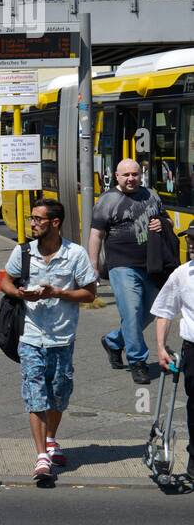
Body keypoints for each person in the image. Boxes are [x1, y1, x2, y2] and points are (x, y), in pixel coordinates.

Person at [0, 199, 98, 481]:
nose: (32, 223)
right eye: (32, 218)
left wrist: (58, 293)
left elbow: (90, 293)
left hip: (63, 336)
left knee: (58, 395)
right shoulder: (24, 251)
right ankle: (42, 455)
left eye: (38, 219)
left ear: (55, 223)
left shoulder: (75, 254)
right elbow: (5, 280)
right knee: (35, 395)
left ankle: (51, 439)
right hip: (30, 334)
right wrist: (18, 294)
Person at [89, 158, 169, 385]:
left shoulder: (151, 194)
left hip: (153, 265)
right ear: (116, 176)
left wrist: (162, 224)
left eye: (135, 174)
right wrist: (93, 266)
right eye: (126, 175)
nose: (131, 178)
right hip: (122, 265)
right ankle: (138, 361)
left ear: (140, 174)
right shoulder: (107, 200)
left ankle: (114, 341)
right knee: (132, 312)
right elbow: (96, 234)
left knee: (152, 311)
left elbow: (167, 220)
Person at [150, 258, 194, 480]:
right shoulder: (182, 274)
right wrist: (160, 347)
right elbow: (165, 310)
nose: (192, 244)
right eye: (190, 239)